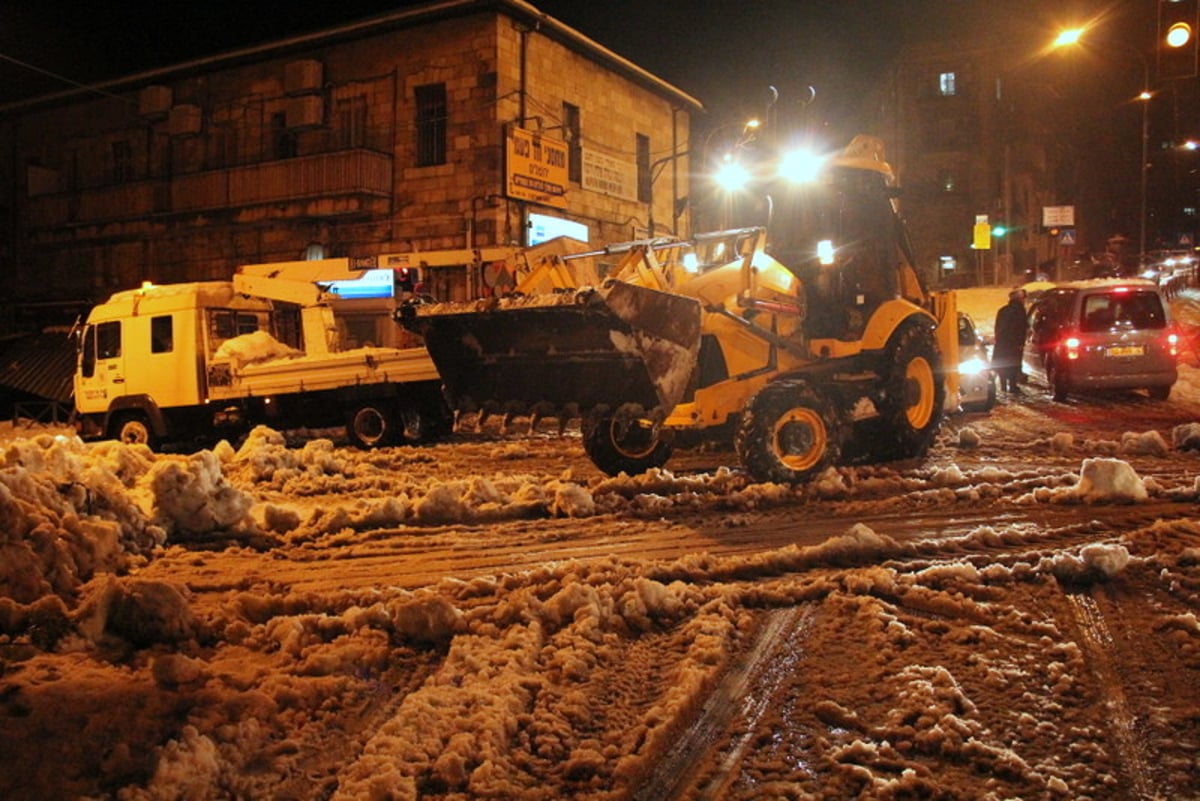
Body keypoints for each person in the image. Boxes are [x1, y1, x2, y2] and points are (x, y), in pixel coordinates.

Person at [992, 287, 1028, 394]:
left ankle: (1003, 385)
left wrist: (998, 338)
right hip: (1014, 344)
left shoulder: (1002, 310)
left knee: (1003, 363)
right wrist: (1021, 342)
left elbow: (997, 327)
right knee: (1013, 364)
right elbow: (1021, 328)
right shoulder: (1020, 311)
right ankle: (1012, 386)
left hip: (1002, 343)